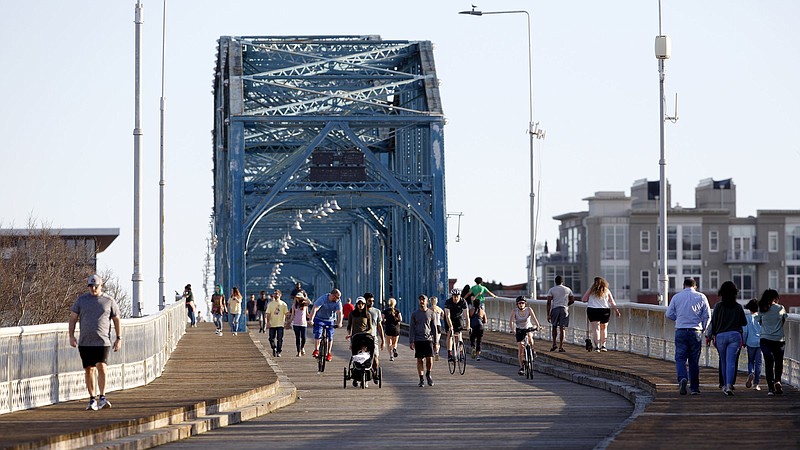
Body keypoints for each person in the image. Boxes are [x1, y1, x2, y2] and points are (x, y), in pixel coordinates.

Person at [68, 274, 122, 411]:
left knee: (102, 366)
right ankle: (92, 398)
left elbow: (116, 319)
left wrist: (118, 338)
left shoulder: (108, 301)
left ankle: (102, 397)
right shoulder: (81, 300)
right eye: (91, 286)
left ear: (101, 286)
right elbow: (73, 318)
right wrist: (71, 336)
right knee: (89, 369)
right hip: (85, 341)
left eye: (96, 286)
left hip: (102, 341)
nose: (93, 289)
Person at [666, 277, 711, 396]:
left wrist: (679, 319)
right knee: (694, 360)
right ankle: (695, 388)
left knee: (680, 358)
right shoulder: (701, 297)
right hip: (695, 330)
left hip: (680, 330)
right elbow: (707, 315)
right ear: (695, 286)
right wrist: (703, 329)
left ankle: (682, 378)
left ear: (683, 285)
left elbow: (668, 314)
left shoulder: (677, 297)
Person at [707, 281, 747, 396]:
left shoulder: (718, 306)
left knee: (723, 361)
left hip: (721, 337)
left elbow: (713, 322)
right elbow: (744, 322)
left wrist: (710, 336)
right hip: (735, 336)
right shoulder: (738, 307)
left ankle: (724, 385)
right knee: (731, 362)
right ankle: (729, 385)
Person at [756, 289, 787, 396]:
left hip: (765, 339)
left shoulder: (762, 309)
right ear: (775, 298)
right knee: (779, 362)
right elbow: (783, 320)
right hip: (779, 339)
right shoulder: (780, 308)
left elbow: (759, 321)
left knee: (768, 363)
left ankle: (770, 389)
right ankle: (777, 381)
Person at [581, 277, 620, 352]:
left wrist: (590, 298)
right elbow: (612, 302)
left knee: (596, 329)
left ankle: (597, 347)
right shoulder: (606, 290)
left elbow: (584, 299)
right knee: (604, 328)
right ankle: (603, 346)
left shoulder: (591, 290)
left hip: (593, 310)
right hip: (604, 310)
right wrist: (617, 310)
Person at [409, 294, 439, 387]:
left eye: (423, 300)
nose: (422, 302)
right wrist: (411, 341)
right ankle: (421, 378)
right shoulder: (415, 314)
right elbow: (411, 328)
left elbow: (434, 328)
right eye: (420, 300)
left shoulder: (431, 313)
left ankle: (428, 374)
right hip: (418, 339)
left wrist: (436, 342)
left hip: (428, 339)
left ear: (427, 301)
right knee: (419, 359)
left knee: (429, 358)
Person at [309, 289, 343, 362]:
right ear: (333, 295)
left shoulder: (338, 302)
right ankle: (316, 350)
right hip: (319, 318)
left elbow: (339, 313)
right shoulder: (323, 299)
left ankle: (328, 353)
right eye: (337, 297)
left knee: (330, 336)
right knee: (318, 333)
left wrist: (339, 323)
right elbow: (315, 308)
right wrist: (311, 320)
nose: (338, 299)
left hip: (330, 320)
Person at [509, 296, 541, 376]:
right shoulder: (514, 311)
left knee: (530, 337)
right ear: (517, 304)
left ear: (525, 304)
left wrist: (538, 326)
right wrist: (512, 330)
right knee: (520, 348)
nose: (521, 305)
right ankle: (521, 367)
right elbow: (511, 322)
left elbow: (534, 318)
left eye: (523, 303)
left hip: (528, 327)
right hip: (519, 329)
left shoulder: (529, 309)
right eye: (519, 303)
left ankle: (532, 349)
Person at [546, 275, 574, 352]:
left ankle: (554, 344)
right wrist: (566, 304)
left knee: (554, 326)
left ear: (555, 282)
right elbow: (572, 300)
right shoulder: (568, 289)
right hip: (564, 309)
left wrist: (548, 314)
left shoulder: (552, 290)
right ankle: (561, 346)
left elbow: (548, 302)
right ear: (562, 281)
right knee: (562, 328)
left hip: (555, 309)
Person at [742, 299, 762, 391]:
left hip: (750, 342)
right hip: (760, 342)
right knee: (758, 363)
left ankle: (751, 372)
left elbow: (745, 331)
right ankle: (756, 384)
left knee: (751, 361)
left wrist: (744, 341)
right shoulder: (761, 317)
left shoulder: (747, 318)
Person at [444, 289, 468, 362]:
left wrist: (468, 326)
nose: (456, 298)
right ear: (452, 296)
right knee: (450, 334)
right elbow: (447, 316)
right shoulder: (448, 302)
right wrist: (450, 326)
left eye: (457, 296)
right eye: (454, 296)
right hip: (449, 318)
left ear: (460, 296)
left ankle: (460, 353)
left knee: (459, 335)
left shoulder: (463, 302)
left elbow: (466, 316)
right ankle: (450, 353)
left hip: (458, 318)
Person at [364, 293, 385, 370]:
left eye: (373, 301)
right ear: (365, 301)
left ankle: (375, 372)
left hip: (373, 337)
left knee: (375, 357)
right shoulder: (360, 311)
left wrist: (383, 340)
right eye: (369, 301)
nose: (371, 303)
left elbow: (379, 326)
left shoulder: (377, 311)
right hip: (362, 337)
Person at [266, 289, 289, 357]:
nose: (275, 295)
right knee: (271, 338)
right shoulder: (270, 304)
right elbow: (268, 314)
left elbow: (286, 313)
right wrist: (268, 322)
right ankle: (274, 348)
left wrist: (287, 322)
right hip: (272, 323)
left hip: (280, 324)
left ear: (280, 295)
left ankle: (279, 351)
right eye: (274, 293)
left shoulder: (283, 304)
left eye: (277, 294)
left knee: (280, 339)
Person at [289, 291, 310, 357]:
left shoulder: (305, 305)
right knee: (297, 338)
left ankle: (302, 348)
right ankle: (298, 352)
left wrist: (310, 318)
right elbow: (292, 315)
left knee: (304, 338)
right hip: (296, 323)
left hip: (303, 323)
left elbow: (307, 314)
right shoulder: (294, 306)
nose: (297, 299)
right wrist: (289, 322)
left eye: (299, 298)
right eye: (297, 298)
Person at [430, 296, 445, 361]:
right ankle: (437, 352)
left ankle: (433, 351)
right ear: (437, 302)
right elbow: (443, 317)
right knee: (437, 340)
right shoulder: (440, 309)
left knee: (432, 340)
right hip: (438, 325)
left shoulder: (429, 309)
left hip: (431, 326)